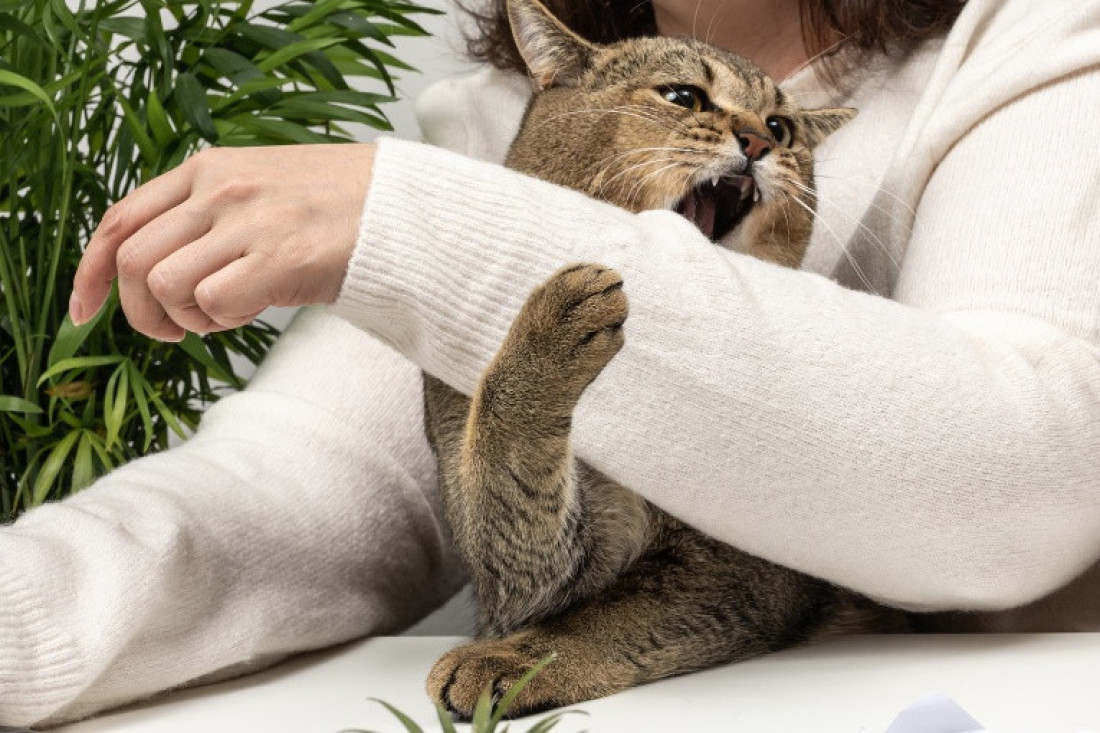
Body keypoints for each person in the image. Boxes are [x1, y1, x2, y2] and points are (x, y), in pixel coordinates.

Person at [3, 0, 1099, 727]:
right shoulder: (505, 119)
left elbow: (1021, 474)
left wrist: (425, 224)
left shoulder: (1034, 35)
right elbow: (308, 486)